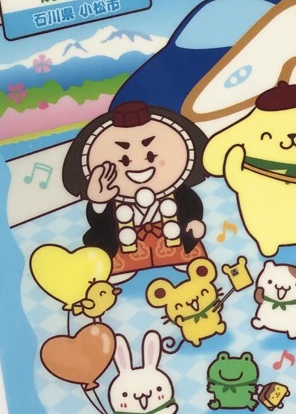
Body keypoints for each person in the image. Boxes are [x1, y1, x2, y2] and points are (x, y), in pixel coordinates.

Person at [62, 101, 210, 281]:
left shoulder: (179, 194)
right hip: (125, 247)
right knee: (117, 269)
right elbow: (100, 223)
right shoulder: (111, 198)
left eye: (151, 156)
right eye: (123, 160)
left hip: (174, 240)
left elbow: (190, 205)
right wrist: (98, 201)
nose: (139, 165)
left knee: (192, 263)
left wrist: (194, 222)